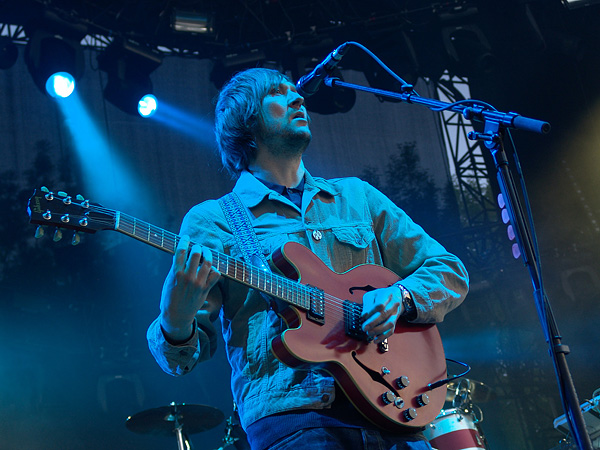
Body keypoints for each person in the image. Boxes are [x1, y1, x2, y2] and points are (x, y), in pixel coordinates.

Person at [147, 67, 469, 450]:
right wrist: (175, 318)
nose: (298, 98)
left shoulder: (357, 197)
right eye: (279, 94)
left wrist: (399, 297)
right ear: (245, 120)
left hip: (394, 409)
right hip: (295, 420)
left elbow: (449, 271)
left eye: (296, 92)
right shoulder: (213, 221)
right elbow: (182, 357)